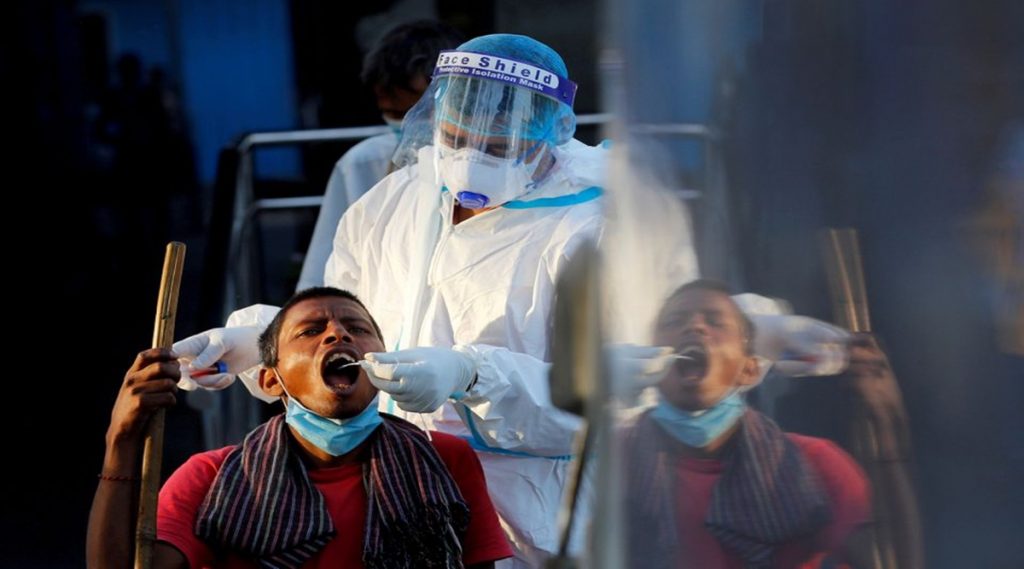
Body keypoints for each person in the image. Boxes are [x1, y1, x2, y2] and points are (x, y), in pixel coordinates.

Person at [175, 34, 843, 566]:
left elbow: (631, 383)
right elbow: (344, 321)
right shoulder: (394, 202)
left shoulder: (609, 222)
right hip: (399, 488)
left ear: (552, 133)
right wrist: (257, 341)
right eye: (455, 139)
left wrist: (472, 375)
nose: (470, 161)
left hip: (539, 504)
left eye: (497, 147)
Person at [87, 287, 512, 568]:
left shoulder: (442, 460)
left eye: (357, 328)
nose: (337, 335)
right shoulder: (214, 476)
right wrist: (121, 440)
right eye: (310, 331)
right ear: (270, 380)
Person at [623, 279, 873, 568]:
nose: (694, 326)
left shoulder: (816, 466)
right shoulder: (610, 460)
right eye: (674, 321)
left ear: (750, 370)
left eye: (715, 321)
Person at [297, 20, 465, 291]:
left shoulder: (486, 169)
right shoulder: (361, 165)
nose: (412, 123)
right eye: (395, 114)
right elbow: (322, 275)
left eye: (421, 110)